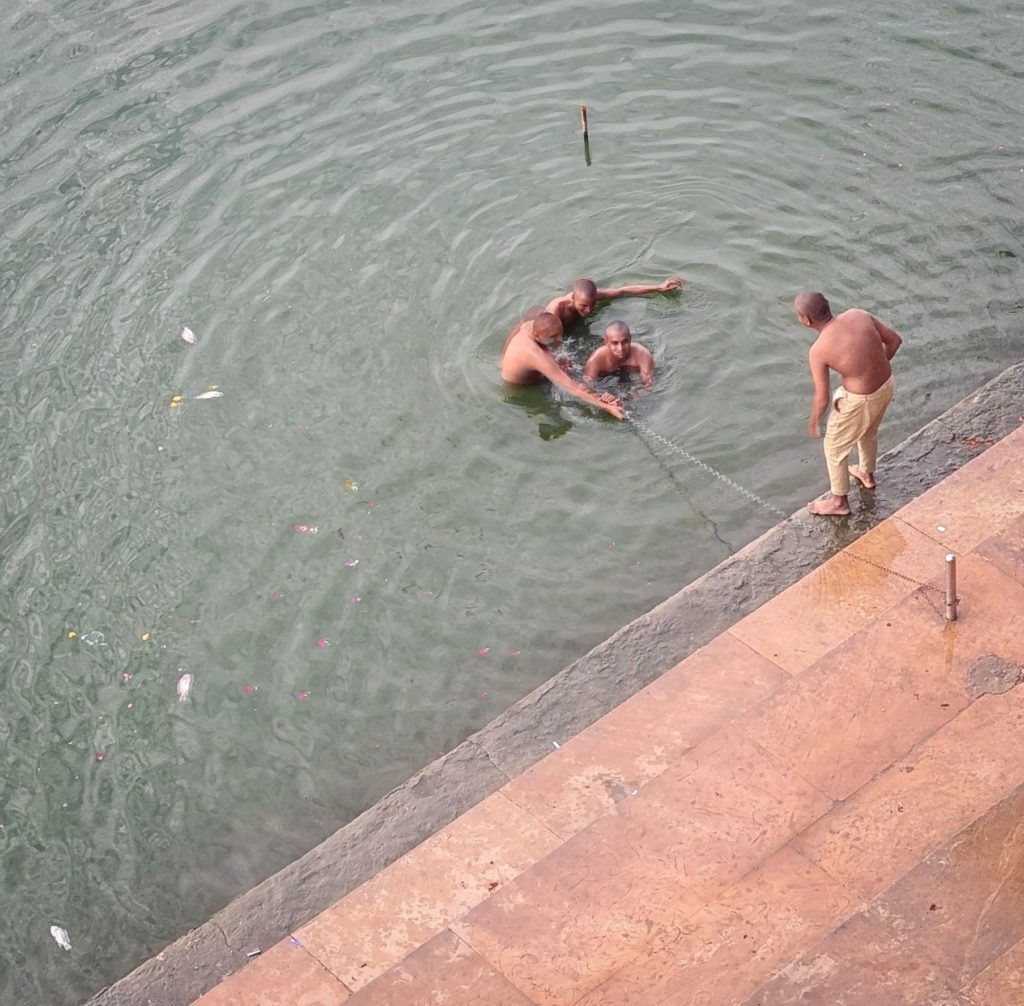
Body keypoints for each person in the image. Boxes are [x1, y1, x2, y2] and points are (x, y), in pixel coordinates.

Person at [795, 291, 902, 516]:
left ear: (806, 320)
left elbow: (822, 397)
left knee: (834, 447)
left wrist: (814, 421)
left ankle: (839, 502)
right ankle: (866, 474)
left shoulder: (819, 350)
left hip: (859, 400)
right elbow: (894, 341)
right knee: (868, 431)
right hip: (886, 385)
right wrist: (873, 368)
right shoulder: (858, 314)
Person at [501, 311, 624, 419]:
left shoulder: (531, 325)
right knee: (570, 393)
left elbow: (521, 325)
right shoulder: (535, 354)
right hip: (521, 389)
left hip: (530, 368)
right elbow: (572, 389)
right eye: (553, 336)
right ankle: (606, 402)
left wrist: (503, 356)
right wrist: (607, 408)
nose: (559, 339)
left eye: (560, 333)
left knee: (569, 371)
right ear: (536, 335)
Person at [544, 275, 683, 329]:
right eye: (583, 306)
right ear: (573, 297)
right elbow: (543, 332)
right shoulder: (556, 309)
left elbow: (623, 291)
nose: (588, 310)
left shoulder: (594, 295)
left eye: (592, 305)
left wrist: (658, 287)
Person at [583, 322, 654, 388]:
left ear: (630, 339)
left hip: (630, 373)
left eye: (625, 342)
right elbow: (586, 385)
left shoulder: (642, 354)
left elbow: (648, 385)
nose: (620, 348)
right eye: (615, 343)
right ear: (606, 342)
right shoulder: (597, 359)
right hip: (605, 379)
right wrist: (601, 395)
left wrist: (635, 395)